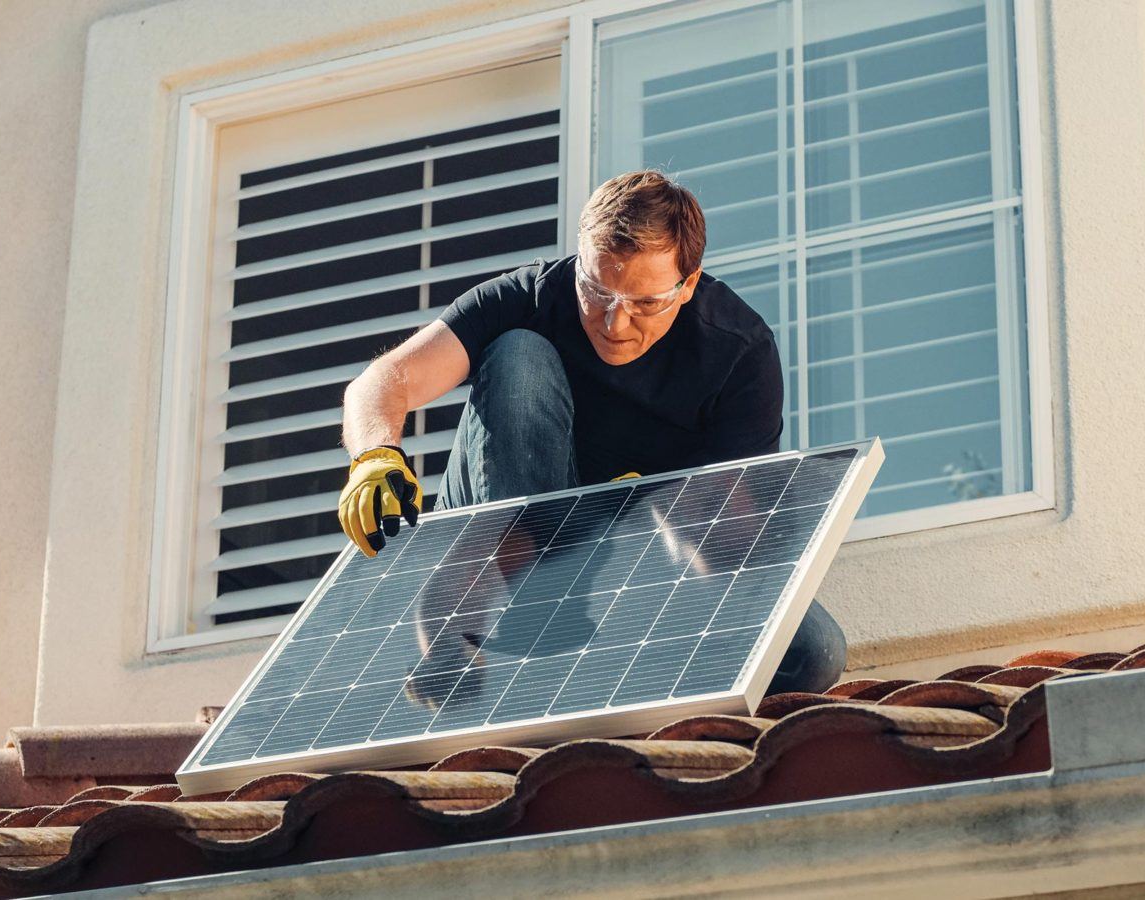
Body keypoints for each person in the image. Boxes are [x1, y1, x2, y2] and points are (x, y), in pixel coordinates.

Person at [336, 169, 846, 696]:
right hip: (519, 533)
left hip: (637, 563)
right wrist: (375, 457)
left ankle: (587, 633)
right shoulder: (531, 296)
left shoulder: (737, 354)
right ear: (579, 261)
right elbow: (383, 382)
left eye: (646, 303)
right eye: (596, 290)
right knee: (518, 353)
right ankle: (490, 596)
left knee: (811, 652)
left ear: (689, 283)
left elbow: (735, 551)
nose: (614, 322)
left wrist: (680, 520)